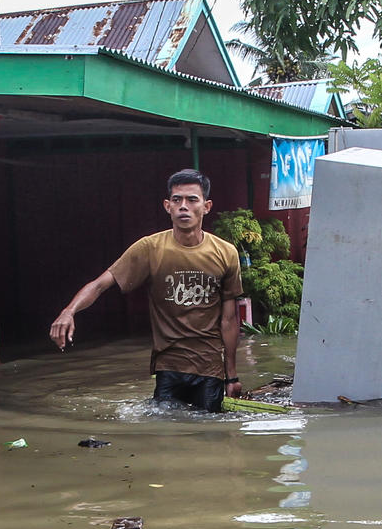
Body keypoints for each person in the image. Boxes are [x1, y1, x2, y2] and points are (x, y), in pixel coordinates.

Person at [49, 169, 244, 412]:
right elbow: (100, 284)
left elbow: (229, 320)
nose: (184, 206)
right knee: (165, 436)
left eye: (192, 200)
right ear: (167, 206)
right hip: (168, 366)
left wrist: (232, 377)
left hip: (210, 368)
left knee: (208, 435)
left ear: (206, 206)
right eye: (177, 200)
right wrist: (69, 311)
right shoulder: (149, 248)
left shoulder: (226, 253)